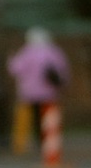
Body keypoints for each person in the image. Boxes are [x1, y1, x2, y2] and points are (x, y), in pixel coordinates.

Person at [8, 23, 69, 152]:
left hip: (28, 93)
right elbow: (63, 72)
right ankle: (50, 146)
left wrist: (10, 59)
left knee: (24, 120)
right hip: (49, 94)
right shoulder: (55, 52)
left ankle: (20, 146)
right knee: (48, 121)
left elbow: (15, 69)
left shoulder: (26, 52)